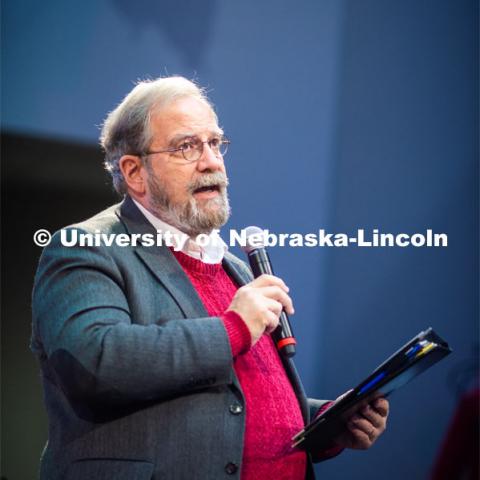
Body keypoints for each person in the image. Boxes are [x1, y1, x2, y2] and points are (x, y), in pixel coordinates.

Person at [31, 76, 389, 480]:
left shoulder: (233, 268)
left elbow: (234, 403)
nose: (211, 162)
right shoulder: (87, 246)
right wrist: (234, 327)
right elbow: (97, 363)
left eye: (215, 143)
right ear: (134, 172)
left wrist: (328, 421)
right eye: (187, 147)